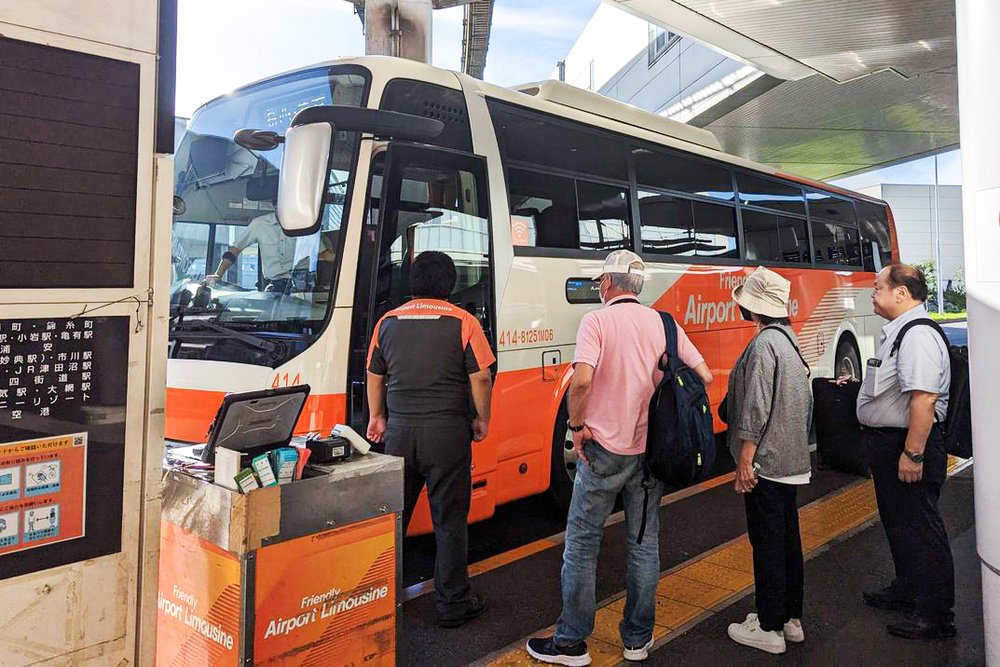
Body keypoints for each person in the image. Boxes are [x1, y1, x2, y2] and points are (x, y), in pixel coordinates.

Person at [527, 250, 712, 665]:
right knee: (644, 545)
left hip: (603, 454)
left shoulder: (597, 321)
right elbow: (705, 375)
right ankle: (636, 641)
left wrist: (577, 428)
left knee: (581, 544)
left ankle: (571, 641)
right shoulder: (664, 323)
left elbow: (582, 382)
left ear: (607, 284)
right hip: (652, 455)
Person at [365, 250, 494, 628]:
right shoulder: (463, 322)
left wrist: (377, 416)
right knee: (450, 520)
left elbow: (374, 373)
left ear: (413, 282)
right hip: (447, 435)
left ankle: (378, 600)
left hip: (400, 434)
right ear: (450, 284)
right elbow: (481, 376)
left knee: (393, 519)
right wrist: (481, 418)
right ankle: (453, 603)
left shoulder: (387, 321)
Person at [856, 262, 955, 639]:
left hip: (909, 446)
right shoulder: (899, 332)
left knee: (921, 528)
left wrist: (912, 454)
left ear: (902, 293)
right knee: (899, 523)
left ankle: (936, 615)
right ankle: (908, 589)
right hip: (891, 444)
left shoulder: (917, 335)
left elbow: (924, 399)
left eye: (878, 287)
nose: (873, 293)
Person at [723, 266, 812, 655]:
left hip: (767, 463)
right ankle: (791, 618)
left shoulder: (763, 345)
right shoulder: (790, 340)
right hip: (791, 460)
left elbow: (756, 407)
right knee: (788, 539)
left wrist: (745, 461)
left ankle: (770, 627)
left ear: (753, 308)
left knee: (768, 543)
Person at [207, 211, 296, 292]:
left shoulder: (306, 222)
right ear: (274, 204)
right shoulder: (259, 224)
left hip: (304, 284)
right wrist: (218, 274)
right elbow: (234, 251)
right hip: (275, 286)